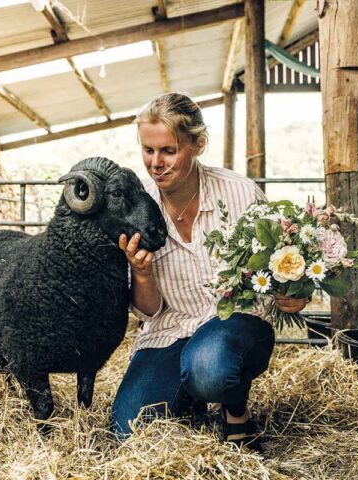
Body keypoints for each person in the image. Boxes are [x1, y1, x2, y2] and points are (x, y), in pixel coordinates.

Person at [111, 92, 308, 449]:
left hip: (236, 320)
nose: (155, 163)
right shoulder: (138, 211)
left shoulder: (239, 192)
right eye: (148, 150)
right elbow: (149, 311)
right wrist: (141, 273)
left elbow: (283, 262)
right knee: (129, 428)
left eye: (169, 150)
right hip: (170, 331)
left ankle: (234, 410)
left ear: (198, 144)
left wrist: (295, 292)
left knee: (210, 367)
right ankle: (193, 391)